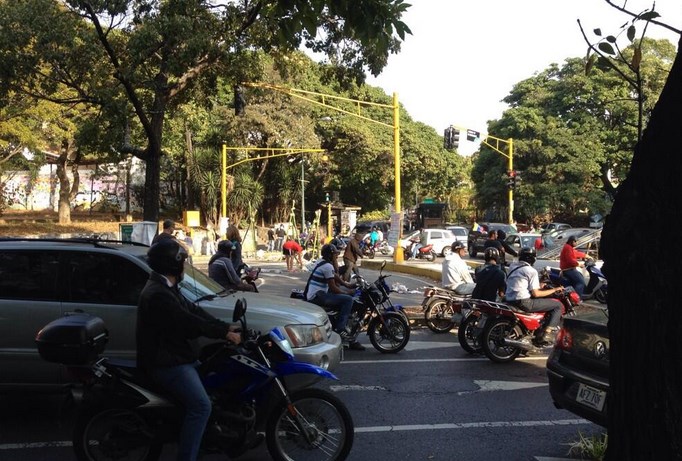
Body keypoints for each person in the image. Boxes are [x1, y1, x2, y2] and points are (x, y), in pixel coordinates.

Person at [136, 239, 242, 461]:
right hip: (166, 362)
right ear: (172, 264)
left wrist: (225, 326)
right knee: (201, 406)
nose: (184, 266)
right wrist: (224, 334)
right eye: (182, 262)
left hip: (177, 355)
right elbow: (187, 322)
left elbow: (192, 310)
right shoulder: (158, 293)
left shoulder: (165, 286)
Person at [305, 244, 364, 351]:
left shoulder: (322, 262)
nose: (337, 256)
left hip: (316, 294)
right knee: (348, 300)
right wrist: (348, 292)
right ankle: (340, 328)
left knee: (345, 293)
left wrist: (347, 285)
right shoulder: (328, 266)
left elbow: (335, 276)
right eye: (335, 254)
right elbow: (333, 288)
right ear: (330, 255)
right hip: (317, 296)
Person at [504, 246, 564, 346]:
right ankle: (545, 335)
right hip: (524, 302)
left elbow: (521, 283)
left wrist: (539, 286)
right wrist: (554, 289)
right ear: (531, 258)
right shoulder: (531, 271)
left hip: (510, 299)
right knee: (557, 305)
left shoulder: (513, 266)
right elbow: (536, 293)